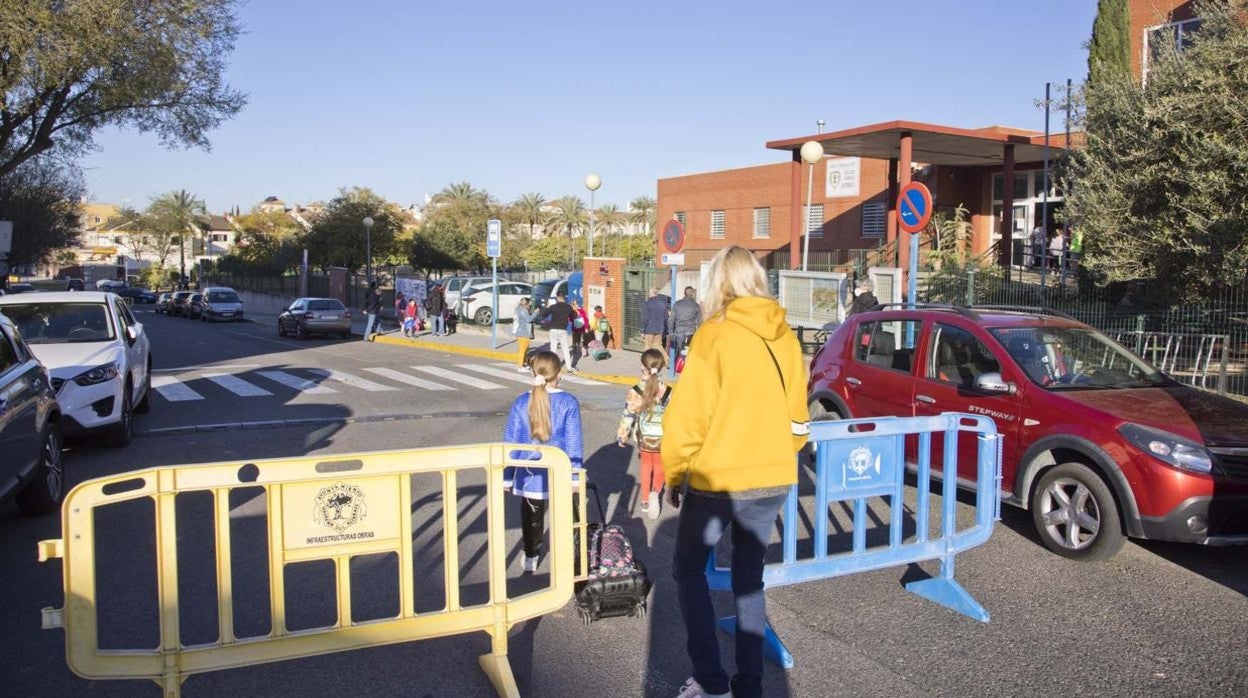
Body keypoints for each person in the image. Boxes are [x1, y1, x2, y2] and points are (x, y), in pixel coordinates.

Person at [661, 245, 809, 698]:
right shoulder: (785, 334)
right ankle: (750, 686)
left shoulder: (715, 333)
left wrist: (675, 472)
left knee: (687, 570)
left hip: (720, 479)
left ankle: (711, 681)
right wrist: (782, 452)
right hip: (774, 474)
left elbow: (689, 417)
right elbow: (798, 417)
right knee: (750, 579)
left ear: (718, 283)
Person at [502, 350, 584, 573]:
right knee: (568, 517)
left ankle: (531, 555)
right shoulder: (568, 402)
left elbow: (511, 443)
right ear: (559, 374)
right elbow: (574, 441)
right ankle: (571, 557)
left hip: (529, 475)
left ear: (533, 372)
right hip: (561, 472)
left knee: (532, 517)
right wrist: (576, 476)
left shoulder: (521, 402)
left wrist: (507, 477)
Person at [616, 349, 671, 521]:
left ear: (642, 367)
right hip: (663, 437)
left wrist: (622, 435)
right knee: (660, 465)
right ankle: (656, 492)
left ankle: (645, 500)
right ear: (661, 367)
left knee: (646, 466)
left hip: (645, 437)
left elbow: (628, 414)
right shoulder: (668, 391)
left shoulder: (636, 390)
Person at [544, 292, 576, 372]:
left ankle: (552, 367)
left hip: (553, 329)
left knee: (553, 349)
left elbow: (544, 315)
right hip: (562, 330)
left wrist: (547, 306)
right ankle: (569, 368)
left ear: (557, 297)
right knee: (565, 349)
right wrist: (573, 308)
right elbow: (573, 317)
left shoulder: (553, 306)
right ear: (564, 297)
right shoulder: (568, 307)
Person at [669, 286, 702, 358]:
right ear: (692, 294)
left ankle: (678, 367)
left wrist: (671, 333)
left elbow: (671, 320)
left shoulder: (677, 304)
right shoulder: (696, 306)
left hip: (679, 331)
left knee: (680, 353)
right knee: (689, 354)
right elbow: (699, 322)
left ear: (684, 293)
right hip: (691, 332)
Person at [513, 296, 539, 372]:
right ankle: (520, 367)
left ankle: (524, 364)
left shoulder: (520, 309)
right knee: (522, 350)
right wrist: (535, 313)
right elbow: (529, 319)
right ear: (526, 304)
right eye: (529, 305)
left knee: (524, 350)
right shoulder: (522, 311)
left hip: (522, 332)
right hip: (523, 333)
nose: (529, 306)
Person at [641, 286, 670, 354]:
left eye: (649, 293)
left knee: (647, 347)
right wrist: (666, 329)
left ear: (651, 294)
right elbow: (666, 317)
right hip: (659, 329)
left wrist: (642, 330)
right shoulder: (662, 304)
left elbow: (644, 318)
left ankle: (645, 363)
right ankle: (665, 359)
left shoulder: (647, 304)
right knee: (658, 346)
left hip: (649, 329)